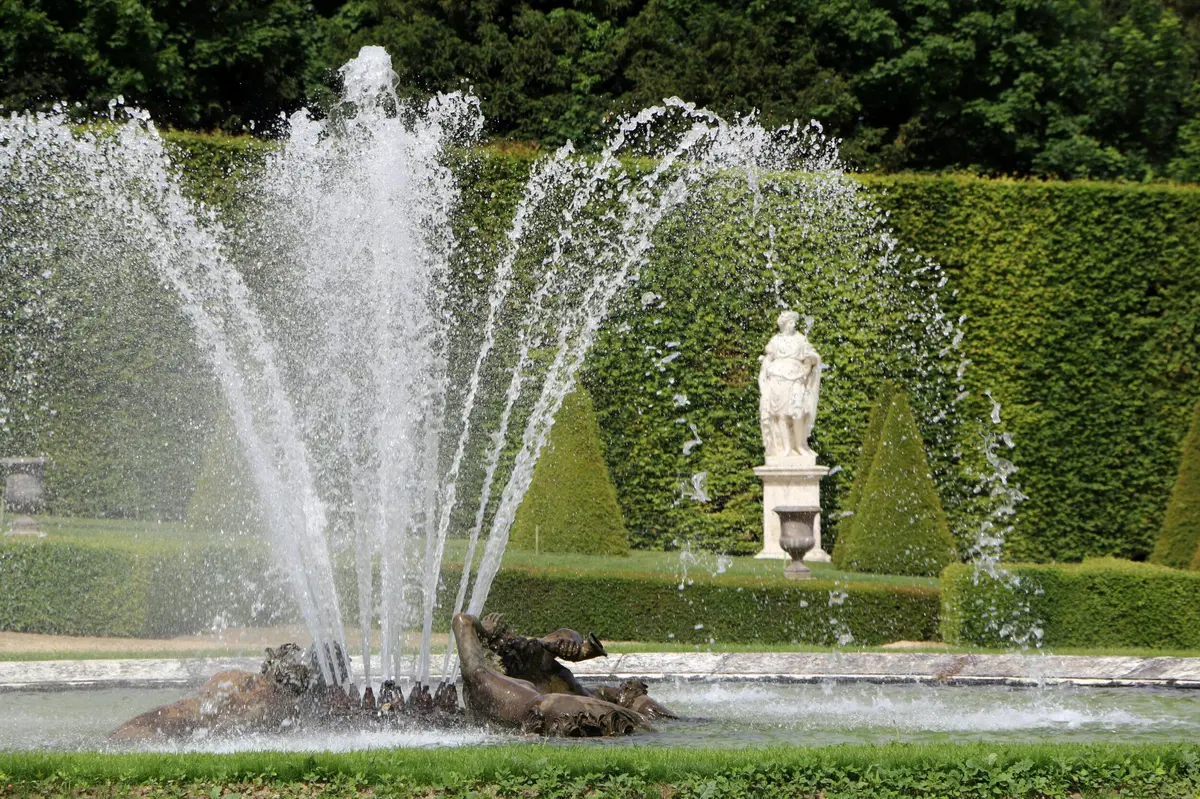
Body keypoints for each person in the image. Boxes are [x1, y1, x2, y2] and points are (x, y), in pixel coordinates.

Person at [758, 310, 821, 458]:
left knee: (797, 412)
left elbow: (813, 356)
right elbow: (768, 359)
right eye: (790, 322)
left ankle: (799, 446)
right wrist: (764, 379)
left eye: (794, 322)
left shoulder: (801, 339)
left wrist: (811, 360)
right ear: (784, 324)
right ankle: (786, 448)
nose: (793, 325)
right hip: (777, 379)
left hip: (796, 378)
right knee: (780, 414)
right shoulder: (775, 341)